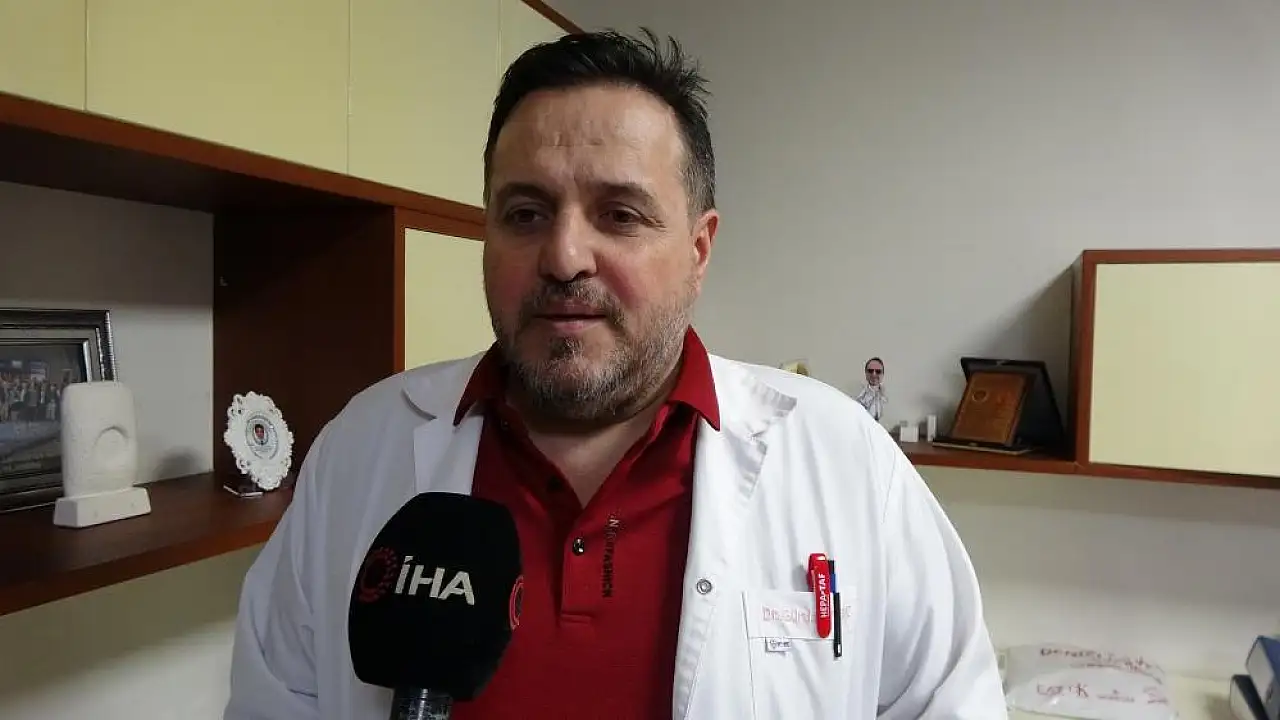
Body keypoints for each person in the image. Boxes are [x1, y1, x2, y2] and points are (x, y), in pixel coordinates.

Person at [224, 29, 1007, 720]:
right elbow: (274, 700)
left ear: (698, 250)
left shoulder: (844, 461)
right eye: (525, 214)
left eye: (620, 215)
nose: (564, 257)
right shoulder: (362, 449)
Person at [855, 356, 888, 422]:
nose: (874, 374)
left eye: (878, 371)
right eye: (870, 371)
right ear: (865, 373)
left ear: (883, 374)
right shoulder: (858, 395)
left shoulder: (888, 396)